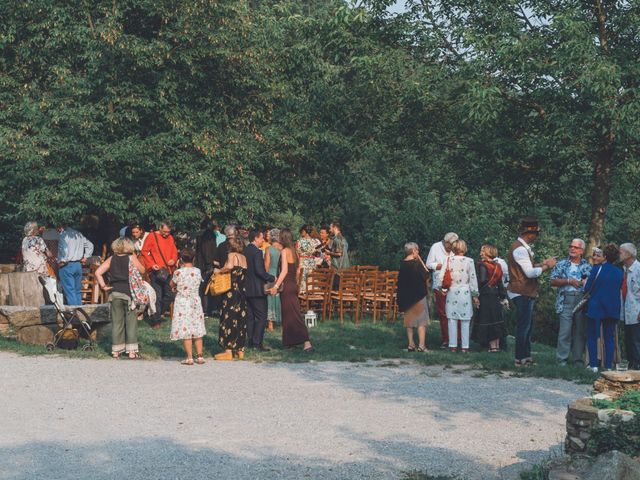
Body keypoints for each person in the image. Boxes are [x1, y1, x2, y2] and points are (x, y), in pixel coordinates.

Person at [507, 218, 557, 366]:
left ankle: (526, 356)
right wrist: (547, 267)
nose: (536, 236)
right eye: (536, 233)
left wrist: (543, 263)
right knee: (524, 326)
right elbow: (529, 273)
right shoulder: (521, 249)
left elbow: (526, 266)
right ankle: (520, 358)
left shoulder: (520, 247)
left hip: (523, 291)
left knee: (527, 326)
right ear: (529, 234)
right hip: (522, 291)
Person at [95, 237, 146, 359]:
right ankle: (132, 351)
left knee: (117, 323)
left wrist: (103, 286)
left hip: (114, 293)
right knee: (131, 323)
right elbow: (143, 270)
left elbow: (98, 272)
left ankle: (116, 351)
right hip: (129, 294)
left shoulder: (111, 259)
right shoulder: (131, 257)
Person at [269, 229, 313, 352]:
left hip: (287, 286)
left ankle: (306, 342)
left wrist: (276, 286)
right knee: (288, 315)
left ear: (282, 238)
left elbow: (284, 271)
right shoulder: (295, 252)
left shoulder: (284, 251)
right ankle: (290, 342)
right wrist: (296, 285)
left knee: (293, 315)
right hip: (293, 285)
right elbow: (298, 271)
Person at [549, 238, 592, 366]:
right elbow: (552, 281)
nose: (572, 249)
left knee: (580, 331)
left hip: (581, 299)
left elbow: (593, 285)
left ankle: (577, 360)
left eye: (576, 247)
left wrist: (585, 283)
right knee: (565, 330)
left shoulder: (588, 266)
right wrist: (568, 281)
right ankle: (561, 360)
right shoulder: (562, 264)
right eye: (571, 246)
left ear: (582, 251)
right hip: (566, 299)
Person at [584, 244, 623, 372]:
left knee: (592, 335)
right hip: (612, 308)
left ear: (605, 256)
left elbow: (587, 288)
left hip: (596, 306)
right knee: (609, 338)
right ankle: (608, 366)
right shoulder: (620, 272)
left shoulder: (597, 269)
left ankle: (594, 365)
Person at [169, 248, 206, 365]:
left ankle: (189, 357)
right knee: (197, 328)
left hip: (182, 301)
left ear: (180, 259)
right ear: (193, 258)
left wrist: (175, 286)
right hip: (195, 301)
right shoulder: (198, 271)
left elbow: (172, 283)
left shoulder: (178, 272)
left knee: (186, 328)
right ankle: (200, 356)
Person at [214, 237, 249, 360]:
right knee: (241, 319)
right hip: (242, 292)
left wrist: (219, 271)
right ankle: (240, 350)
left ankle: (228, 350)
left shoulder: (231, 255)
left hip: (231, 292)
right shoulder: (244, 258)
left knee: (228, 318)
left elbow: (229, 267)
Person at [140, 220, 178, 329]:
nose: (166, 234)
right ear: (160, 228)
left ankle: (156, 313)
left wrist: (173, 259)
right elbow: (144, 251)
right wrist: (152, 264)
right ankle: (156, 321)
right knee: (157, 295)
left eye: (168, 232)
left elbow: (174, 252)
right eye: (165, 231)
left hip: (168, 270)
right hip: (157, 271)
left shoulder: (170, 238)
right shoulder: (152, 236)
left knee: (170, 295)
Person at [444, 240, 479, 353]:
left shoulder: (448, 260)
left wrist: (443, 289)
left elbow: (442, 276)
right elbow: (473, 278)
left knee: (452, 320)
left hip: (452, 291)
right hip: (465, 292)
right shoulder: (469, 261)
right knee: (465, 320)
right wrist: (475, 295)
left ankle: (453, 346)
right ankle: (465, 346)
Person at [426, 232, 459, 348]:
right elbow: (428, 264)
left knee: (456, 311)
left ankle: (457, 339)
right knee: (443, 312)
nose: (451, 248)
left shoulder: (455, 249)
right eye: (450, 245)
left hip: (454, 284)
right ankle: (446, 339)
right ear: (445, 242)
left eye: (453, 245)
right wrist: (442, 265)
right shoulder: (435, 247)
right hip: (440, 284)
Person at [243, 229, 275, 350]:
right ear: (256, 238)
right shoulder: (256, 252)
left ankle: (250, 341)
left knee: (250, 316)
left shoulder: (246, 250)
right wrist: (271, 277)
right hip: (257, 289)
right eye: (262, 238)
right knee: (261, 317)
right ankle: (257, 343)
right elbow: (259, 271)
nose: (263, 240)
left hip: (247, 288)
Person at [397, 242, 429, 352]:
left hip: (406, 297)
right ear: (414, 251)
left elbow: (400, 283)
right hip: (418, 296)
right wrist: (420, 260)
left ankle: (411, 344)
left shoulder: (402, 264)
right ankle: (421, 345)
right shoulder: (417, 264)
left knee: (409, 322)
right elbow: (426, 275)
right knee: (421, 322)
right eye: (418, 250)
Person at [474, 244, 507, 352]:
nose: (480, 253)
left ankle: (492, 348)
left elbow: (482, 280)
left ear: (488, 252)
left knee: (487, 319)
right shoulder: (498, 265)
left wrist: (475, 292)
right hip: (495, 294)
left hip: (485, 295)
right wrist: (503, 297)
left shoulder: (483, 265)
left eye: (482, 251)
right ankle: (496, 346)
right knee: (495, 320)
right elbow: (500, 283)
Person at [57, 223, 94, 305]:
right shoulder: (78, 234)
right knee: (77, 290)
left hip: (67, 265)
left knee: (70, 291)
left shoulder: (64, 235)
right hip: (78, 265)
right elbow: (90, 245)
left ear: (61, 227)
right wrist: (86, 256)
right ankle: (79, 311)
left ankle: (73, 313)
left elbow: (64, 249)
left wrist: (62, 260)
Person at [620, 243, 640, 370]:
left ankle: (637, 367)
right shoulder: (624, 269)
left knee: (636, 340)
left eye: (621, 252)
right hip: (627, 311)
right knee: (628, 340)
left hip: (637, 311)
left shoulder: (638, 269)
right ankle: (632, 364)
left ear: (629, 254)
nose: (619, 254)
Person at [195, 220, 218, 317]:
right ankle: (206, 309)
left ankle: (205, 309)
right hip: (206, 265)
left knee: (203, 289)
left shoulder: (202, 235)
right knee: (206, 288)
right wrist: (210, 264)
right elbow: (207, 251)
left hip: (202, 264)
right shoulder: (208, 235)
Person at [265, 228, 282, 331]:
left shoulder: (268, 249)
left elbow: (266, 265)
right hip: (279, 274)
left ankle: (270, 323)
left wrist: (265, 276)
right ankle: (278, 319)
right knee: (278, 296)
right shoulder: (282, 249)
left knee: (270, 297)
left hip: (270, 274)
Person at [296, 225, 319, 292]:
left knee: (302, 280)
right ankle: (310, 295)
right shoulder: (315, 241)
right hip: (312, 262)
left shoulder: (299, 241)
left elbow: (297, 254)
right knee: (311, 281)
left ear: (304, 231)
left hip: (303, 262)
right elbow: (317, 254)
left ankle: (302, 295)